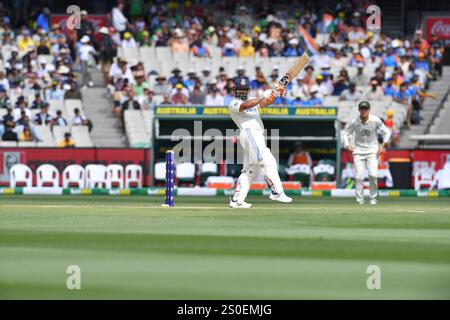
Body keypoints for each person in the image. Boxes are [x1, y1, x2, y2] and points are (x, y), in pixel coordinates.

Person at [228, 76, 292, 208]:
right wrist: (261, 97)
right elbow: (245, 105)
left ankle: (237, 200)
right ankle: (277, 191)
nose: (242, 92)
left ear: (248, 89)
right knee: (268, 160)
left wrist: (275, 94)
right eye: (240, 89)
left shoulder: (254, 102)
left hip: (257, 135)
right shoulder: (233, 103)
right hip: (248, 132)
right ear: (234, 89)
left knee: (252, 169)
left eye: (244, 89)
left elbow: (265, 103)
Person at [342, 101, 391, 205]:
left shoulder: (375, 120)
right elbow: (345, 133)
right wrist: (347, 145)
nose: (364, 111)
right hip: (358, 151)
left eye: (366, 109)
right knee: (359, 176)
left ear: (369, 110)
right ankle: (360, 200)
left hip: (372, 151)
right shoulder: (354, 121)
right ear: (359, 110)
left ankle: (373, 198)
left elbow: (387, 132)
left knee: (373, 175)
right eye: (362, 109)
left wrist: (383, 146)